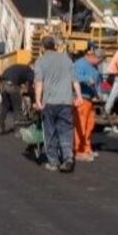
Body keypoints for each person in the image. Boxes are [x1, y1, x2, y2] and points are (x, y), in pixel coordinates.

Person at [33, 36, 83, 173]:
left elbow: (39, 82)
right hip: (66, 102)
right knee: (66, 131)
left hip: (49, 103)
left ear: (42, 47)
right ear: (55, 46)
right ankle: (67, 157)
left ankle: (53, 162)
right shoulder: (67, 59)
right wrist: (79, 96)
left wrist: (38, 100)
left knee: (50, 132)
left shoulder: (40, 61)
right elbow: (75, 80)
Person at [72, 47, 103, 162]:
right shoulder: (80, 64)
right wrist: (86, 79)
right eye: (99, 60)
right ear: (93, 56)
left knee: (89, 126)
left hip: (90, 100)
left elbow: (97, 81)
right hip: (81, 99)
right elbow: (74, 77)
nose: (99, 63)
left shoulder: (94, 66)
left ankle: (86, 148)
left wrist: (99, 93)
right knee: (80, 126)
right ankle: (78, 151)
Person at [0, 60, 34, 134]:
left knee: (5, 107)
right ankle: (18, 130)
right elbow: (31, 86)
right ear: (33, 66)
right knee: (17, 108)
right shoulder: (29, 70)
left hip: (2, 84)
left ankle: (0, 127)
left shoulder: (21, 67)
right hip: (11, 85)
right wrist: (32, 97)